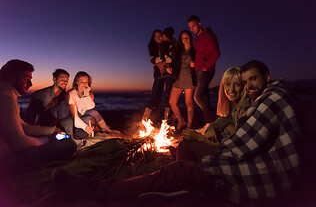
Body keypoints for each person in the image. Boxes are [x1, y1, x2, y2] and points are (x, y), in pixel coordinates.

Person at [52, 60, 302, 205]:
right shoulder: (266, 97)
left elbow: (236, 149)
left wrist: (202, 140)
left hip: (261, 179)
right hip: (251, 163)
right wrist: (203, 136)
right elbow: (227, 125)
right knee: (184, 146)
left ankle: (97, 189)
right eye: (242, 82)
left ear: (267, 78)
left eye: (251, 81)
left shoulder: (271, 99)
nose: (246, 87)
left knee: (174, 168)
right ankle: (189, 188)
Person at [0, 59, 76, 169]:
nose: (30, 84)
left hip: (11, 150)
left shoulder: (7, 94)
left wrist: (52, 130)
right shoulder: (6, 98)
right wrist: (48, 139)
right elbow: (19, 143)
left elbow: (25, 127)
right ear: (11, 76)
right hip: (7, 159)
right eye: (26, 79)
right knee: (69, 144)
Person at [178, 66, 251, 161]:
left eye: (237, 84)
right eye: (228, 84)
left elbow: (237, 144)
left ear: (243, 86)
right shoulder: (234, 107)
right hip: (227, 150)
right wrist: (210, 130)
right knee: (185, 143)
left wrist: (201, 138)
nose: (231, 89)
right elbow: (219, 122)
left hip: (234, 158)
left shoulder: (246, 108)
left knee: (185, 145)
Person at [187, 15, 220, 128]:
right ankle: (209, 124)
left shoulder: (209, 36)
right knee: (204, 97)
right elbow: (198, 55)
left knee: (197, 97)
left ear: (199, 24)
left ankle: (211, 121)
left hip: (206, 70)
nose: (192, 29)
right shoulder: (196, 39)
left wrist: (206, 66)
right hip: (198, 71)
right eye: (190, 27)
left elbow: (216, 53)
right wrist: (194, 64)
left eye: (194, 26)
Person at [25, 69, 73, 136]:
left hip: (61, 124)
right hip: (46, 125)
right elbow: (30, 117)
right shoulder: (41, 94)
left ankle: (68, 139)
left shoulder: (65, 95)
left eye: (67, 80)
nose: (65, 82)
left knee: (68, 118)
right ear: (54, 79)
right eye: (62, 80)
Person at [142, 29, 174, 122]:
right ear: (153, 38)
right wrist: (158, 63)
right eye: (156, 36)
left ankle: (166, 120)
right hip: (158, 74)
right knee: (155, 94)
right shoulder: (152, 47)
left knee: (168, 95)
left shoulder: (169, 44)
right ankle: (146, 118)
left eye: (160, 35)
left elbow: (170, 59)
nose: (158, 38)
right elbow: (152, 59)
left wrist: (159, 62)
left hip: (168, 73)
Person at [68, 71, 111, 139]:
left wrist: (86, 95)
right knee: (89, 119)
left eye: (86, 82)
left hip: (82, 116)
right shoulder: (71, 94)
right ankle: (95, 132)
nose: (85, 84)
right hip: (73, 122)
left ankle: (105, 129)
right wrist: (85, 127)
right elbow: (74, 117)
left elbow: (91, 107)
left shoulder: (87, 93)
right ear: (76, 82)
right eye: (82, 82)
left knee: (94, 112)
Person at [169, 30, 196, 130]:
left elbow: (201, 62)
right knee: (172, 102)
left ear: (190, 37)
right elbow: (173, 62)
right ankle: (181, 121)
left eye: (187, 37)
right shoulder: (178, 50)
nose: (185, 39)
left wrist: (195, 65)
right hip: (178, 79)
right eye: (183, 38)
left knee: (188, 102)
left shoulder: (194, 50)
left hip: (189, 79)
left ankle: (189, 125)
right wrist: (170, 68)